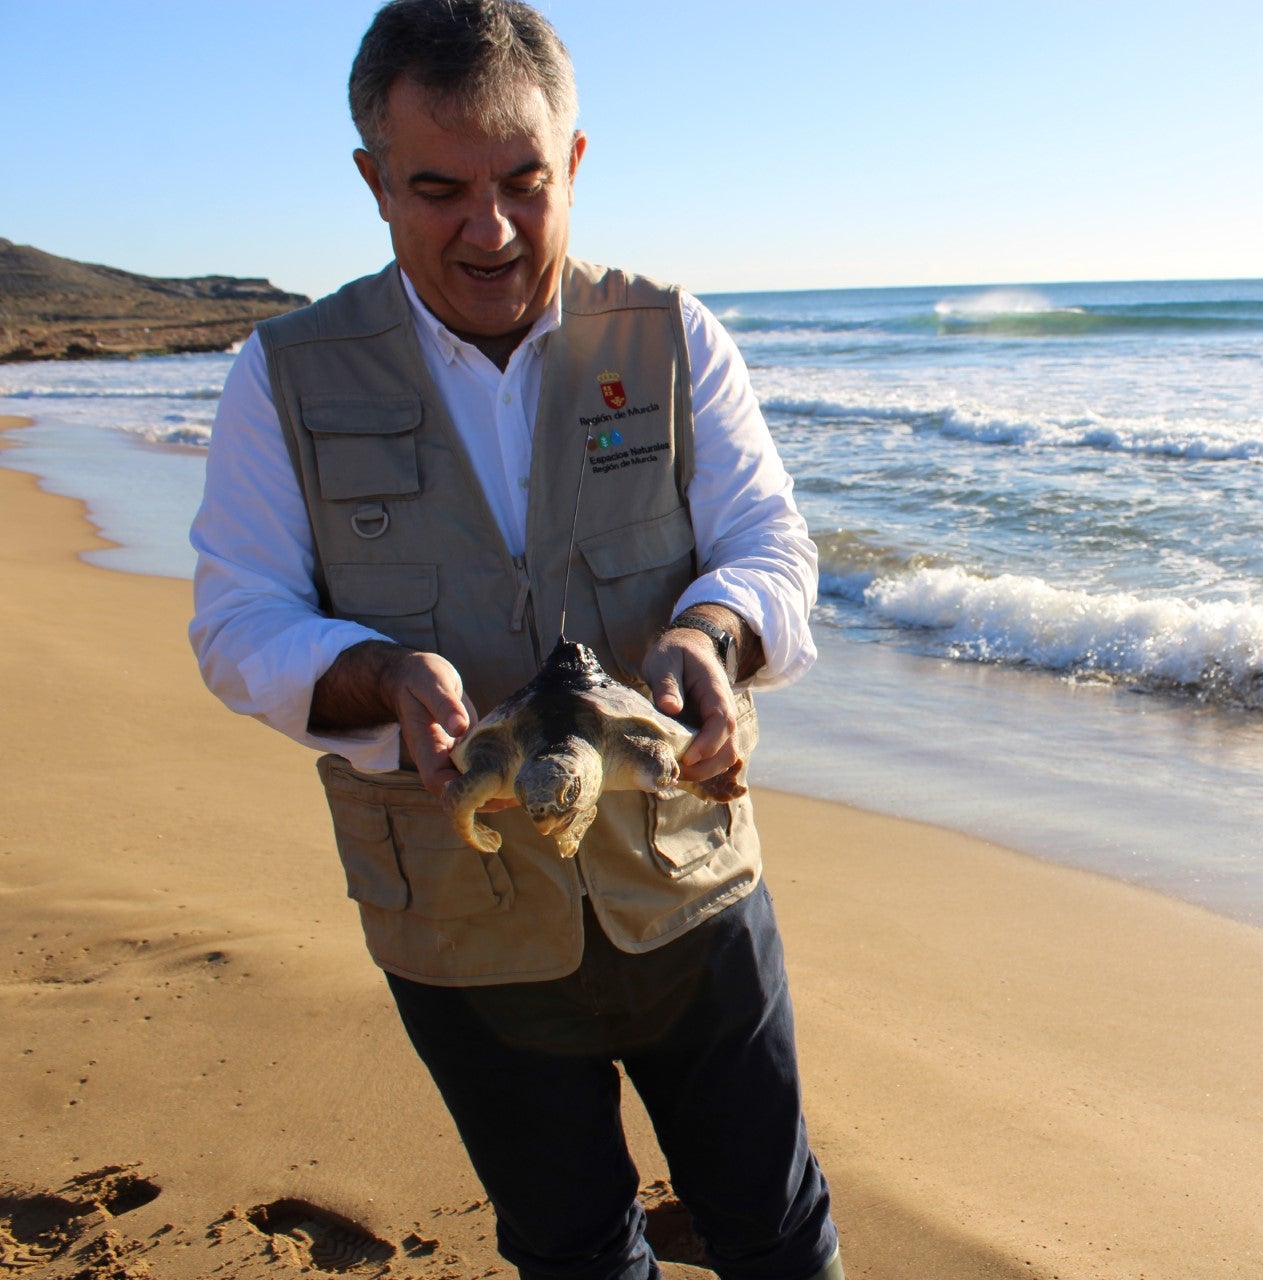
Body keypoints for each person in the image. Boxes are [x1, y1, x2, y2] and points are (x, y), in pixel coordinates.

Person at [187, 3, 841, 1278]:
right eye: (438, 188)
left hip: (691, 892)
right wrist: (376, 669)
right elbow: (237, 621)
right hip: (457, 918)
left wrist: (712, 631)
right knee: (572, 1244)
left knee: (776, 1224)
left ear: (575, 165)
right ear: (375, 180)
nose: (488, 229)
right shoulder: (283, 376)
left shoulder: (669, 337)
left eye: (524, 183)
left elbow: (772, 546)